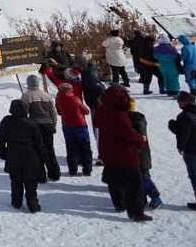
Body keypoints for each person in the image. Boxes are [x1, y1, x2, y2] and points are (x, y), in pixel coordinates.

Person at [96, 86, 152, 222]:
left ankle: (119, 204)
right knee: (134, 185)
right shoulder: (119, 115)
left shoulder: (101, 111)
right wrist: (141, 139)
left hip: (107, 152)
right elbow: (127, 134)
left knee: (114, 182)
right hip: (124, 155)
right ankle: (136, 212)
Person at [168, 92, 196, 212]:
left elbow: (184, 135)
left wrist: (173, 128)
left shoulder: (184, 116)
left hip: (193, 151)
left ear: (187, 102)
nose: (178, 103)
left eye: (180, 101)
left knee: (195, 177)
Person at [0, 99, 47, 213]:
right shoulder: (32, 123)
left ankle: (16, 201)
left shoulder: (6, 121)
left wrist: (3, 152)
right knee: (30, 181)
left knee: (15, 180)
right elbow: (39, 143)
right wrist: (43, 157)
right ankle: (33, 204)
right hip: (30, 154)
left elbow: (2, 139)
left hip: (13, 153)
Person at [21, 74, 61, 181]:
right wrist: (53, 125)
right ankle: (55, 173)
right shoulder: (47, 95)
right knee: (50, 149)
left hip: (35, 127)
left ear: (28, 83)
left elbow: (24, 113)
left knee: (37, 151)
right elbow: (53, 113)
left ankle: (41, 175)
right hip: (48, 125)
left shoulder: (26, 96)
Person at [129, 101, 163, 209]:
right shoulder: (135, 120)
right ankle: (142, 198)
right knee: (139, 178)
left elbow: (140, 140)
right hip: (138, 154)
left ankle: (155, 197)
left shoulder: (136, 122)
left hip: (140, 155)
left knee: (144, 177)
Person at [55, 82, 93, 176]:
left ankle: (72, 170)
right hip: (80, 125)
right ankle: (87, 169)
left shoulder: (58, 99)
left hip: (67, 125)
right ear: (69, 90)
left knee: (71, 149)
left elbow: (59, 112)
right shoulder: (75, 99)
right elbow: (86, 111)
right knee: (85, 148)